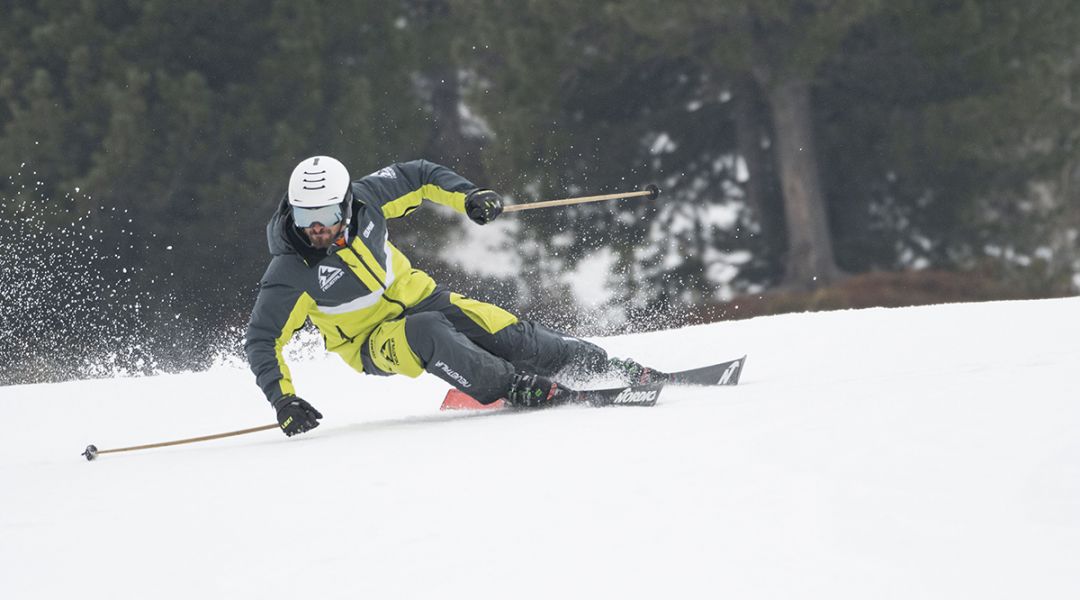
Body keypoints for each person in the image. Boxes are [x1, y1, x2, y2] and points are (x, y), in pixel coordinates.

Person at [245, 156, 665, 436]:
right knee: (427, 331)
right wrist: (283, 400)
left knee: (509, 334)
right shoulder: (290, 271)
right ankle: (511, 386)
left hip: (423, 296)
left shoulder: (367, 201)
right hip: (371, 342)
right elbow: (262, 340)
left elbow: (419, 175)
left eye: (325, 214)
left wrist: (469, 196)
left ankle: (597, 366)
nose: (315, 228)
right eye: (305, 216)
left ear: (346, 204)